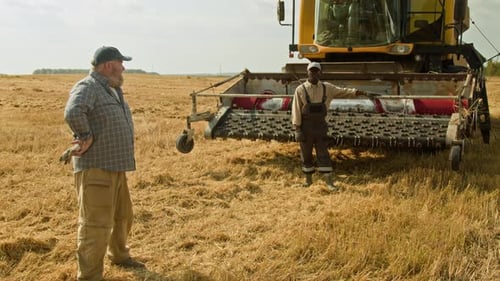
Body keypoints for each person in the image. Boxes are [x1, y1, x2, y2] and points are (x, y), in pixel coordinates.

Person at [64, 46, 144, 280]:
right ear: (109, 65)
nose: (124, 68)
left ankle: (119, 255)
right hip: (96, 169)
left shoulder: (110, 89)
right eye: (121, 63)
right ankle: (89, 276)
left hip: (115, 168)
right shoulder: (88, 87)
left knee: (123, 216)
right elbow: (73, 111)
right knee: (95, 226)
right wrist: (85, 135)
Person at [291, 61, 369, 191]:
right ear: (308, 72)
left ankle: (329, 183)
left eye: (316, 71)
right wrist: (297, 129)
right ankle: (308, 182)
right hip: (306, 128)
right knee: (306, 155)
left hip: (321, 128)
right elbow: (296, 110)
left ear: (320, 73)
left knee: (323, 154)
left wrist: (359, 92)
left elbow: (344, 92)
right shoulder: (300, 90)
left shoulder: (327, 88)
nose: (314, 73)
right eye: (312, 71)